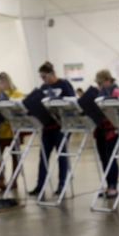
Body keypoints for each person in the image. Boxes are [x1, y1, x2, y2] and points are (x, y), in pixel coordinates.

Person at [29, 61, 74, 197]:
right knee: (43, 156)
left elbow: (72, 102)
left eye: (44, 76)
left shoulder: (64, 84)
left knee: (62, 155)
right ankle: (40, 184)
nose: (43, 80)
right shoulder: (43, 87)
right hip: (47, 127)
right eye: (41, 77)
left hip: (61, 126)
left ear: (52, 74)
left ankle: (61, 185)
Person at [0, 72, 24, 192]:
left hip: (13, 130)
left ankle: (14, 180)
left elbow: (20, 110)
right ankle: (0, 180)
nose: (0, 84)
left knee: (15, 155)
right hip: (0, 130)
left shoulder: (17, 94)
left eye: (2, 82)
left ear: (7, 82)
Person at [94, 69, 119, 199]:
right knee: (104, 160)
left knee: (111, 159)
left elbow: (118, 111)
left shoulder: (116, 93)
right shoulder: (99, 93)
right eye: (97, 84)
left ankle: (113, 187)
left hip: (111, 131)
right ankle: (108, 185)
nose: (99, 86)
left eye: (100, 83)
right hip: (99, 131)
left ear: (108, 80)